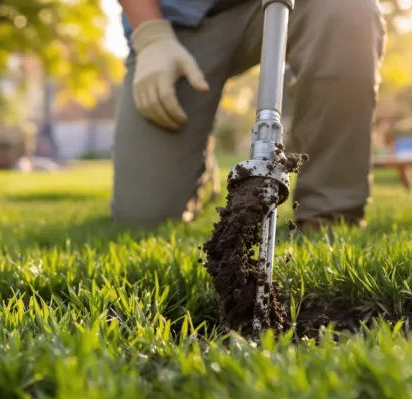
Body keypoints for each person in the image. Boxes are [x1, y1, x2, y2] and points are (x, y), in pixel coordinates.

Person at [111, 0, 387, 230]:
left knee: (348, 9)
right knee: (143, 216)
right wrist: (150, 35)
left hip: (293, 5)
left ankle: (328, 214)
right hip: (175, 22)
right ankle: (198, 175)